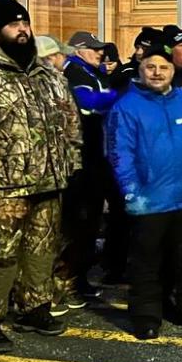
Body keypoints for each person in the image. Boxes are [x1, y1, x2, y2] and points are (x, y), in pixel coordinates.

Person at [0, 0, 83, 353]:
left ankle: (34, 307)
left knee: (42, 247)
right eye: (14, 25)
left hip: (49, 177)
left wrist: (70, 163)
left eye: (25, 23)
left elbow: (69, 118)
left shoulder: (46, 73)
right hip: (2, 183)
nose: (22, 31)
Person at [106, 32, 182, 339]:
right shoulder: (127, 107)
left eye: (163, 67)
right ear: (141, 69)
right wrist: (130, 189)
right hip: (149, 201)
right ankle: (146, 314)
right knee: (147, 262)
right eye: (150, 67)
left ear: (172, 70)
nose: (157, 72)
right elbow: (120, 152)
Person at [54, 30, 118, 311]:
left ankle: (78, 279)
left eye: (100, 48)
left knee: (90, 223)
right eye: (93, 48)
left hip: (98, 159)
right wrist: (121, 97)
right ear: (78, 50)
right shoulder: (76, 74)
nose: (99, 52)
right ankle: (64, 282)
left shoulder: (95, 73)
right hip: (82, 161)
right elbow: (85, 103)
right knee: (77, 223)